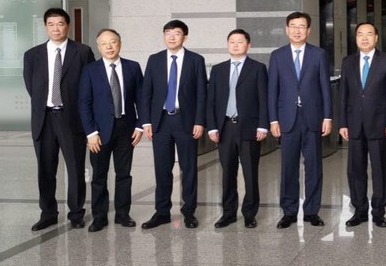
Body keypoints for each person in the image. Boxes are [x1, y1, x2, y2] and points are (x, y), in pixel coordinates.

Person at [23, 7, 95, 230]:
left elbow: (89, 86)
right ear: (45, 27)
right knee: (45, 169)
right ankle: (48, 213)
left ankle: (76, 213)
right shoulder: (32, 55)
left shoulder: (82, 52)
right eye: (51, 24)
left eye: (60, 24)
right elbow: (32, 87)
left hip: (71, 119)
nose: (56, 28)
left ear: (68, 26)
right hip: (44, 119)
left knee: (75, 168)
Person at [140, 20, 207, 229]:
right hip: (160, 122)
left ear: (184, 37)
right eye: (167, 32)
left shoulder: (196, 60)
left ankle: (189, 212)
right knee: (162, 169)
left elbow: (202, 93)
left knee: (189, 168)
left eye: (176, 33)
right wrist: (146, 121)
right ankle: (162, 212)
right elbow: (146, 92)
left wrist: (199, 121)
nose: (171, 37)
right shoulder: (154, 60)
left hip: (185, 121)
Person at [269, 12, 332, 229]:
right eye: (293, 26)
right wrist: (273, 120)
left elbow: (325, 88)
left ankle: (312, 211)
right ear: (287, 29)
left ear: (309, 30)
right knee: (288, 167)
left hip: (312, 118)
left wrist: (327, 116)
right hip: (287, 119)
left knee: (313, 166)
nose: (297, 30)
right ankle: (289, 211)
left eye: (302, 26)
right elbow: (272, 90)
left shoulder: (318, 54)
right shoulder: (277, 56)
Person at [78, 28, 144, 232]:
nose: (109, 46)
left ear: (120, 44)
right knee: (99, 175)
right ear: (98, 47)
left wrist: (140, 125)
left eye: (113, 42)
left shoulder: (133, 67)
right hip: (99, 131)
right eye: (104, 43)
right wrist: (91, 133)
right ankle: (99, 217)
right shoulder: (90, 70)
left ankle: (123, 214)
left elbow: (141, 98)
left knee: (124, 174)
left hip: (126, 128)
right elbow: (84, 103)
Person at [339, 22, 386, 228]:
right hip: (354, 123)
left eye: (369, 34)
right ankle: (360, 210)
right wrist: (342, 123)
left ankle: (379, 211)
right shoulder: (348, 62)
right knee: (355, 169)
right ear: (355, 38)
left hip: (379, 124)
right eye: (360, 34)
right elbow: (343, 94)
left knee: (380, 169)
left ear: (376, 38)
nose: (364, 38)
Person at [207, 29, 268, 229]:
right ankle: (228, 213)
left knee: (250, 172)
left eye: (240, 42)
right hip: (225, 127)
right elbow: (211, 100)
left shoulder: (258, 68)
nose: (235, 45)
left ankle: (250, 214)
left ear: (248, 45)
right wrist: (212, 127)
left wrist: (263, 125)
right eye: (231, 41)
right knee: (227, 173)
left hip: (249, 127)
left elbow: (263, 99)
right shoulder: (218, 70)